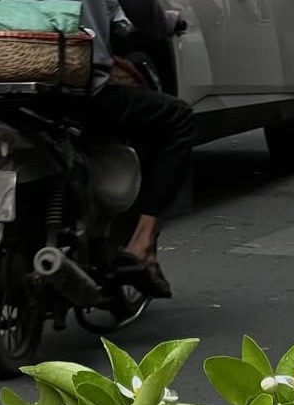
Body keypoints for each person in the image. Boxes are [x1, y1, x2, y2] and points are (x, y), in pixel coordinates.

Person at [73, 0, 194, 297]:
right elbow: (136, 14)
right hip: (76, 92)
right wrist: (167, 22)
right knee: (178, 119)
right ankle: (142, 245)